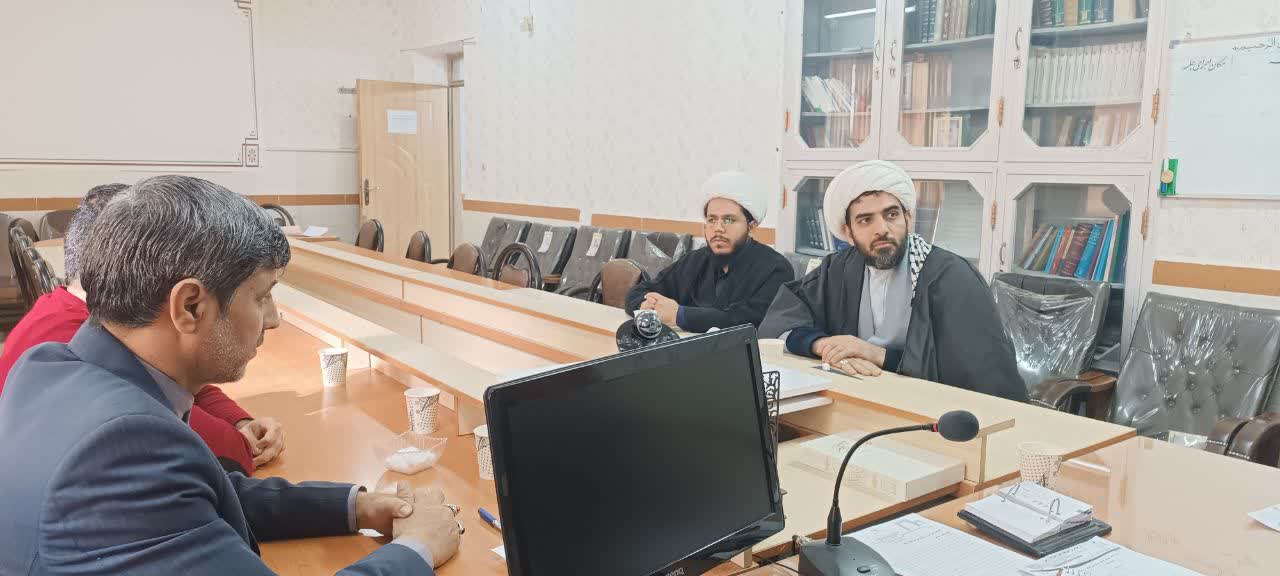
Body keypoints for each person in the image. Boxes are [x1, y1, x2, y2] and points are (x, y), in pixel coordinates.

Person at [0, 175, 461, 574]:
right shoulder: (121, 448)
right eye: (261, 297)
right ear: (190, 306)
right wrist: (417, 547)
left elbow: (200, 493)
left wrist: (357, 506)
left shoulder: (47, 367)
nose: (274, 319)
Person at [0, 184, 282, 475]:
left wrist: (238, 420)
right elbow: (219, 451)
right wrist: (242, 442)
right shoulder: (75, 346)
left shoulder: (84, 322)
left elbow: (178, 376)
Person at [759, 161, 1027, 402]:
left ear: (908, 218)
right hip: (856, 398)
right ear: (848, 233)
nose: (882, 229)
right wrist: (823, 345)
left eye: (891, 215)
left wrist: (877, 355)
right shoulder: (838, 269)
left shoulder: (950, 276)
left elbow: (977, 372)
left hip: (932, 411)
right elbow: (781, 321)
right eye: (865, 220)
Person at [624, 171, 792, 332]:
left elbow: (751, 319)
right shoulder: (695, 260)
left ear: (751, 226)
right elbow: (640, 291)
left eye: (729, 220)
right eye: (712, 219)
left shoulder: (775, 268)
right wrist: (646, 305)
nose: (718, 228)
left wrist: (680, 315)